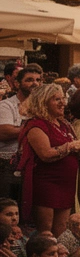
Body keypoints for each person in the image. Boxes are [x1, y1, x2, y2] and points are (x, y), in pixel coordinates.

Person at [16, 84, 80, 237]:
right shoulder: (36, 125)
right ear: (43, 102)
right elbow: (45, 154)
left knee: (61, 230)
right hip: (47, 183)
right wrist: (70, 146)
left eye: (63, 98)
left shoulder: (64, 124)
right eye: (57, 99)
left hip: (66, 184)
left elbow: (72, 149)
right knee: (45, 230)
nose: (63, 103)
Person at [0, 65, 43, 203]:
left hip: (35, 164)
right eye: (29, 80)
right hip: (9, 165)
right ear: (18, 83)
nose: (35, 83)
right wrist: (34, 130)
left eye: (38, 80)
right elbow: (4, 132)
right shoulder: (7, 106)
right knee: (9, 205)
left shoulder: (42, 107)